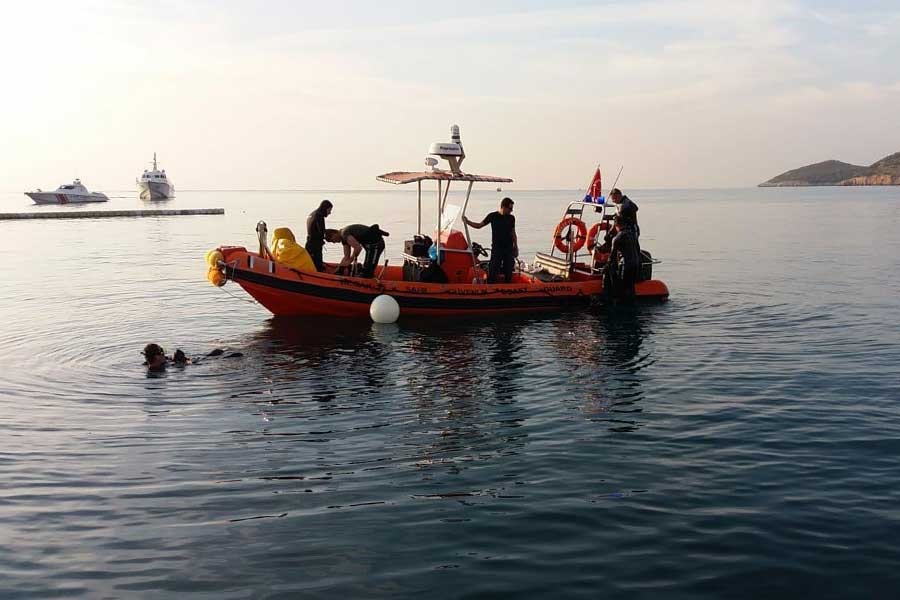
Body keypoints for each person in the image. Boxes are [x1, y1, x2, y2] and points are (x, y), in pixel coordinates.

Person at [463, 197, 518, 283]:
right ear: (503, 207)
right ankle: (491, 286)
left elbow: (513, 233)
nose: (511, 211)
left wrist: (516, 246)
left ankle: (508, 288)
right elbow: (479, 225)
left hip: (508, 249)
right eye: (510, 208)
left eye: (512, 209)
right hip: (497, 249)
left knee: (508, 271)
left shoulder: (511, 218)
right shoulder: (493, 216)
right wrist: (467, 222)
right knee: (493, 271)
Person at [606, 216, 641, 302]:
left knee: (624, 287)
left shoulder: (617, 238)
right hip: (636, 264)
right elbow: (638, 249)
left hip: (626, 265)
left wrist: (607, 267)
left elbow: (612, 256)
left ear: (616, 225)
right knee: (631, 287)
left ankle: (621, 303)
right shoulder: (632, 235)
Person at [305, 200, 333, 272]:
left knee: (310, 262)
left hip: (309, 243)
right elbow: (322, 232)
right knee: (317, 266)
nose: (330, 213)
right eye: (329, 210)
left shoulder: (312, 214)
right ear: (325, 208)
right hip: (315, 245)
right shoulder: (319, 216)